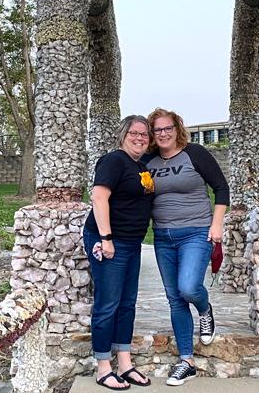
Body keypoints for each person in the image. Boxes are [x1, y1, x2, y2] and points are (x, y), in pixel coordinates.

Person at [143, 108, 230, 386]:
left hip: (196, 232)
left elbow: (221, 188)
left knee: (189, 288)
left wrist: (216, 225)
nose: (164, 133)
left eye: (168, 128)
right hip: (163, 237)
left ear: (177, 128)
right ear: (152, 134)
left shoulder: (195, 153)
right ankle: (186, 361)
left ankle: (205, 310)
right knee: (175, 298)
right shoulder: (148, 160)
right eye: (158, 130)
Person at [83, 115, 156, 391]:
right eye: (134, 133)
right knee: (108, 304)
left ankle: (124, 364)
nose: (140, 138)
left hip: (132, 242)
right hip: (110, 241)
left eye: (144, 135)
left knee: (127, 303)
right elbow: (99, 197)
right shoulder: (113, 160)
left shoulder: (140, 164)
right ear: (123, 135)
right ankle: (104, 367)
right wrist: (106, 238)